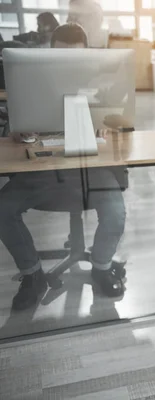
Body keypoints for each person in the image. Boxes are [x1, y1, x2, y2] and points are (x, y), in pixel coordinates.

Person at [0, 23, 126, 312]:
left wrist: (109, 126)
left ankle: (101, 266)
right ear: (49, 52)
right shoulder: (31, 79)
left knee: (116, 212)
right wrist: (17, 130)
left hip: (89, 169)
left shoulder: (101, 79)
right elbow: (14, 129)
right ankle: (32, 276)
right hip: (42, 167)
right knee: (3, 208)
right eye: (60, 57)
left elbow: (124, 122)